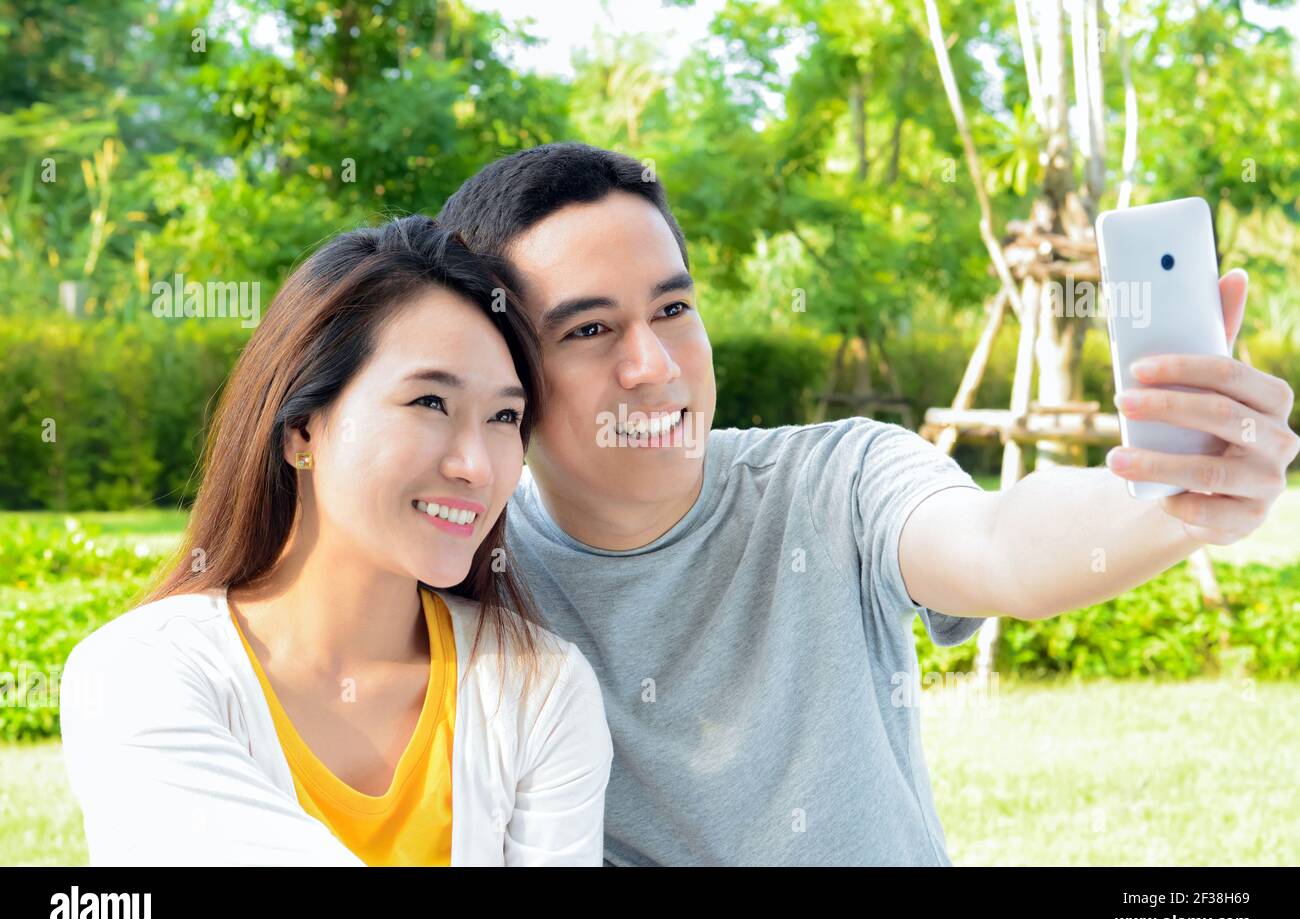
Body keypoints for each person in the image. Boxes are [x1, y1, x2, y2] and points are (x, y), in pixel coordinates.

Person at [437, 142, 1298, 865]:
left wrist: (1169, 501)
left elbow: (998, 545)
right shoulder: (467, 566)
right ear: (504, 369)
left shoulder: (836, 479)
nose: (654, 366)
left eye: (673, 308)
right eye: (589, 331)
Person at [59, 215, 613, 866]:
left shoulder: (539, 690)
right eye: (430, 402)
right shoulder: (139, 673)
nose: (478, 466)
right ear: (301, 430)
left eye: (502, 417)